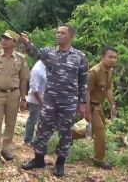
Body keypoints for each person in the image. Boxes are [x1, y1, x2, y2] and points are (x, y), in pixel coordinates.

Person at [20, 24, 88, 177]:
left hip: (69, 102)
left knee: (66, 133)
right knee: (42, 129)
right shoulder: (49, 52)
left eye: (62, 33)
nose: (58, 35)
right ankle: (38, 159)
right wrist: (26, 42)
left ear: (71, 36)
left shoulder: (80, 56)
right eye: (57, 32)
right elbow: (34, 53)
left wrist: (82, 103)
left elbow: (83, 81)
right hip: (50, 100)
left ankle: (60, 164)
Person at [0, 30, 29, 165]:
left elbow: (23, 81)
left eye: (7, 39)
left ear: (14, 42)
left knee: (11, 123)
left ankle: (6, 148)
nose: (3, 40)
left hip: (14, 95)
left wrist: (23, 98)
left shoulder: (21, 58)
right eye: (2, 38)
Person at [72, 46, 118, 170]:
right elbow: (86, 92)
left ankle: (66, 136)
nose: (113, 60)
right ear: (102, 57)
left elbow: (108, 89)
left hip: (99, 106)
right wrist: (87, 112)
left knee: (90, 131)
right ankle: (99, 159)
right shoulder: (94, 72)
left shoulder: (109, 71)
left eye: (115, 57)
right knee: (100, 132)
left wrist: (113, 106)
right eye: (110, 57)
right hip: (91, 106)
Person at [23, 60, 46, 145]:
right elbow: (34, 89)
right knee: (33, 119)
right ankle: (28, 139)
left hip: (43, 99)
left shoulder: (46, 66)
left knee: (41, 120)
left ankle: (37, 140)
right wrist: (41, 102)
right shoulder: (38, 69)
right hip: (36, 100)